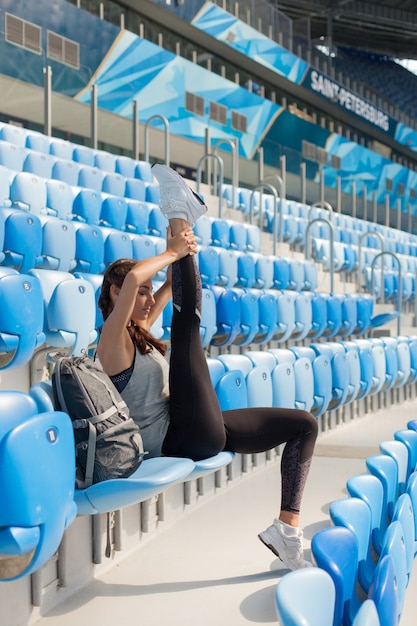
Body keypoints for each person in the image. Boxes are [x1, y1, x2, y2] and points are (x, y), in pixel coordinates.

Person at [97, 164, 318, 570]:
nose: (147, 299)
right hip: (177, 438)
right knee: (187, 326)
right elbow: (140, 287)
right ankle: (177, 208)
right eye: (139, 292)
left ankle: (287, 531)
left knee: (304, 424)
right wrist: (173, 251)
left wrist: (183, 250)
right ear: (114, 292)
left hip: (199, 429)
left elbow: (173, 293)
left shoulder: (140, 331)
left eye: (148, 292)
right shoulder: (110, 342)